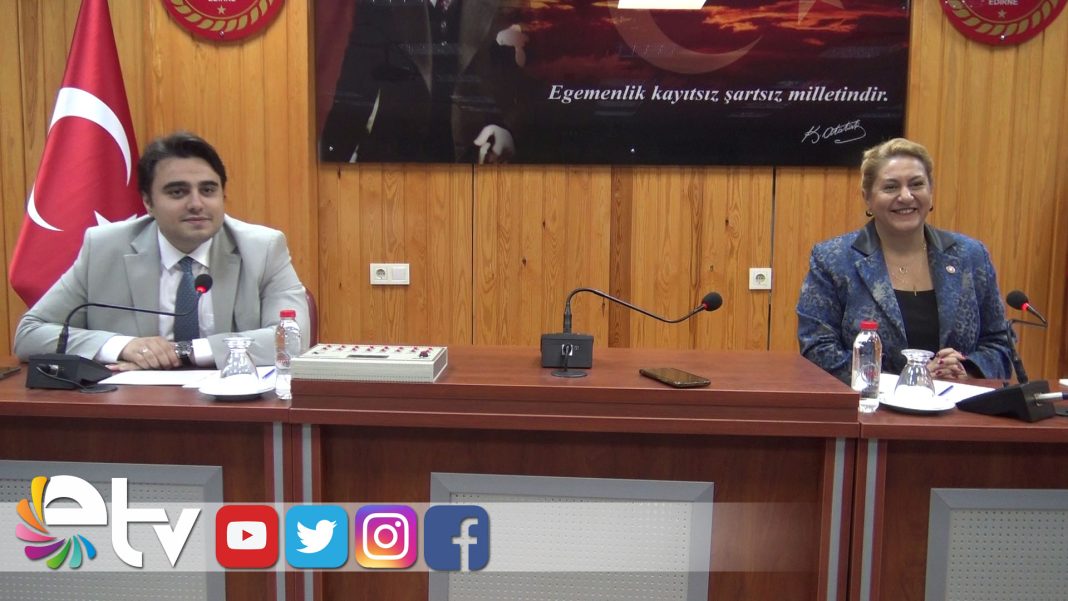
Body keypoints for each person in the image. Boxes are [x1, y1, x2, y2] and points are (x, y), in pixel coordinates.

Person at [14, 131, 310, 370]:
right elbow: (30, 333)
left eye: (208, 190)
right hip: (129, 409)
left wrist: (181, 352)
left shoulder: (262, 248)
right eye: (178, 192)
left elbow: (293, 340)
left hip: (234, 408)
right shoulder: (105, 248)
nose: (196, 204)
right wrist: (123, 346)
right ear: (148, 202)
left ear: (223, 195)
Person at [796, 137, 1013, 383]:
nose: (906, 196)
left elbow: (1001, 345)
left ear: (931, 191)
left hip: (957, 403)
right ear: (868, 198)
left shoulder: (970, 256)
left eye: (916, 184)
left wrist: (967, 369)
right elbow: (817, 352)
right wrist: (910, 379)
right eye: (890, 187)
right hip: (873, 404)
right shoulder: (833, 260)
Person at [318, 0, 528, 164]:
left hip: (479, 160)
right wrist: (332, 164)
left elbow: (528, 84)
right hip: (396, 160)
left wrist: (508, 131)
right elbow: (353, 95)